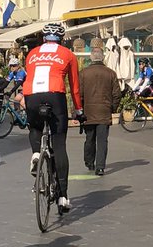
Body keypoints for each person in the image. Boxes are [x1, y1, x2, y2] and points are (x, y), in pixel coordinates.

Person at [22, 23, 83, 212]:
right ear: (62, 39)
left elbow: (29, 75)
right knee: (59, 144)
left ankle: (36, 153)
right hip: (55, 94)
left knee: (35, 127)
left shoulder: (32, 53)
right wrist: (79, 111)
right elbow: (74, 87)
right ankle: (63, 196)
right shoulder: (68, 54)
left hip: (31, 93)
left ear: (43, 38)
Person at [80, 40, 120, 175]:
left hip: (88, 111)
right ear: (102, 58)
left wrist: (78, 109)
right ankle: (100, 167)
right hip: (104, 110)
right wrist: (113, 108)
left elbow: (79, 93)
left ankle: (89, 162)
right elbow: (116, 94)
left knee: (89, 138)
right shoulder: (110, 73)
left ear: (91, 57)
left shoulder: (84, 73)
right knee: (102, 140)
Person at [133, 58, 153, 124]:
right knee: (143, 94)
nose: (139, 65)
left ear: (144, 64)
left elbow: (146, 81)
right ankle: (152, 106)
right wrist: (133, 89)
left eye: (140, 64)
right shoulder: (143, 71)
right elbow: (139, 80)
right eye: (139, 64)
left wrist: (140, 90)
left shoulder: (149, 70)